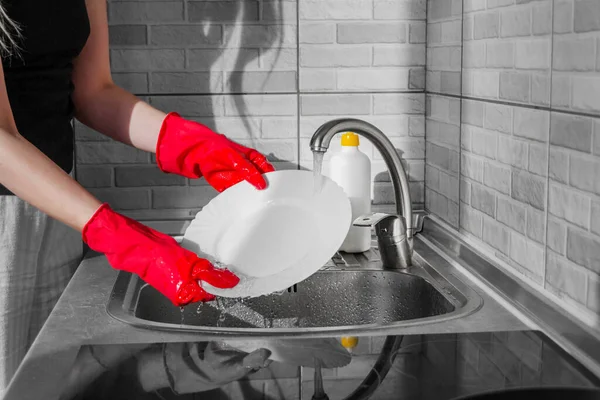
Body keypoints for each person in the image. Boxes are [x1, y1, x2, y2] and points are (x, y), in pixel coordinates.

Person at [0, 0, 274, 394]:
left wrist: (194, 146)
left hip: (58, 206)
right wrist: (123, 238)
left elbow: (94, 92)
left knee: (50, 382)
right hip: (11, 216)